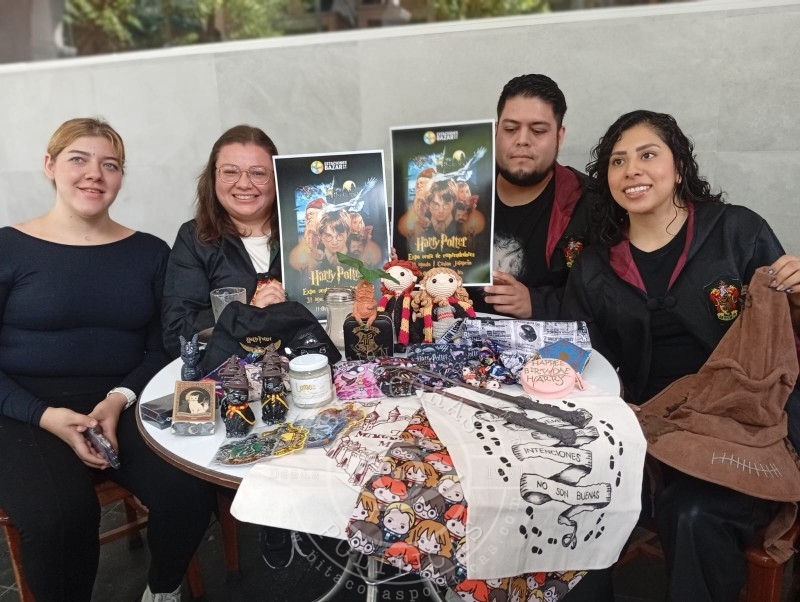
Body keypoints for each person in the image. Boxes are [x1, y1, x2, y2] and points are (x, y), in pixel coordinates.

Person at [561, 109, 800, 601]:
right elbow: (581, 356)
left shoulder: (736, 232)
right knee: (570, 498)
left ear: (678, 167)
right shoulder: (594, 266)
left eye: (648, 155)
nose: (632, 170)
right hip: (647, 425)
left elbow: (783, 335)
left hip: (740, 421)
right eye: (617, 161)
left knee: (692, 512)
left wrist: (799, 298)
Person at [0, 118, 216, 602]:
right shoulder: (7, 248)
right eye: (78, 159)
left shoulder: (150, 252)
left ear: (120, 176)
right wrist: (46, 416)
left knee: (189, 489)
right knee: (60, 517)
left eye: (110, 165)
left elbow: (161, 346)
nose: (94, 174)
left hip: (122, 400)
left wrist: (118, 400)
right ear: (50, 165)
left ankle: (162, 589)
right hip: (22, 408)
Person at [473, 74, 599, 319]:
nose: (522, 141)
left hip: (548, 341)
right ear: (495, 131)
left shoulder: (591, 203)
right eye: (510, 129)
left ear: (559, 136)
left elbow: (607, 296)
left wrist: (538, 303)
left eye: (538, 130)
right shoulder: (459, 191)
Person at [162, 125, 287, 359]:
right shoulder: (194, 238)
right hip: (230, 371)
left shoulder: (310, 231)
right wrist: (246, 311)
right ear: (213, 177)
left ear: (277, 178)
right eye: (230, 171)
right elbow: (176, 334)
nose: (244, 184)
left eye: (258, 173)